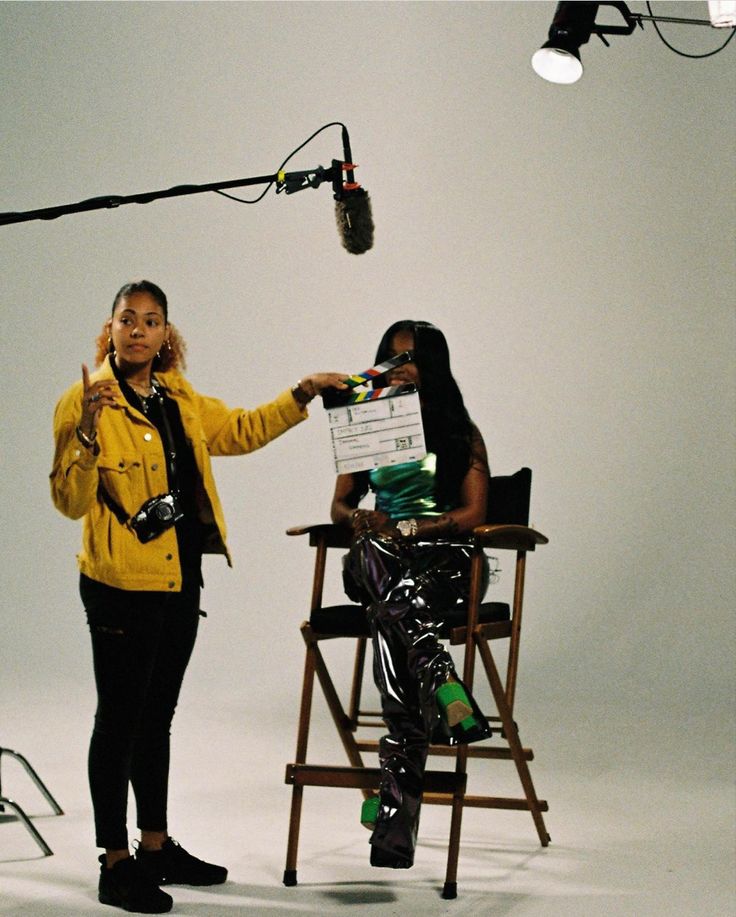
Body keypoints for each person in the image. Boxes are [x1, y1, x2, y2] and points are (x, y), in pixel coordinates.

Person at [50, 279, 347, 914]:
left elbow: (240, 430)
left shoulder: (177, 397)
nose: (138, 330)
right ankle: (114, 862)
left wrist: (302, 392)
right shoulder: (85, 400)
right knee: (118, 721)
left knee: (155, 719)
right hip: (119, 586)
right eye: (127, 319)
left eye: (152, 320)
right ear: (109, 329)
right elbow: (69, 502)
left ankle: (154, 847)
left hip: (180, 580)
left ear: (165, 334)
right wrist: (85, 433)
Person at [330, 320, 492, 870]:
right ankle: (443, 677)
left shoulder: (459, 431)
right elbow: (339, 507)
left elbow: (474, 515)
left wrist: (420, 530)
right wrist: (361, 517)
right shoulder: (366, 425)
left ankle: (395, 822)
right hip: (381, 558)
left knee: (389, 620)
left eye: (413, 359)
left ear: (434, 368)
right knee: (376, 558)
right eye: (392, 358)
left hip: (442, 560)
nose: (401, 368)